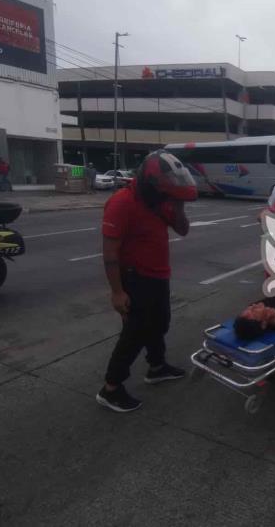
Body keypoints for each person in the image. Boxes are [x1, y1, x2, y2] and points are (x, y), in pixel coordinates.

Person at [96, 150, 197, 413]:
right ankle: (111, 388)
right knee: (134, 334)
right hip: (134, 279)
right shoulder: (122, 203)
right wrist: (117, 292)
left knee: (160, 323)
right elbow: (109, 253)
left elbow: (183, 230)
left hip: (158, 276)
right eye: (164, 191)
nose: (166, 195)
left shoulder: (160, 200)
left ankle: (156, 366)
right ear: (149, 183)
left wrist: (178, 203)